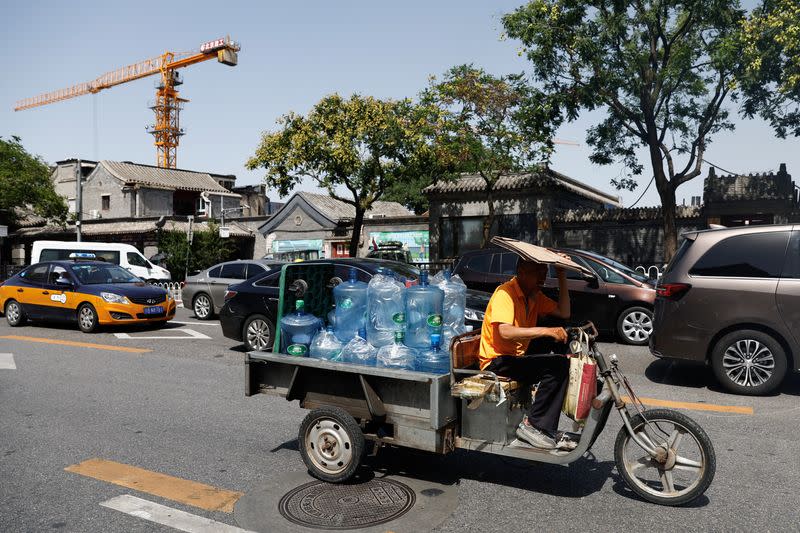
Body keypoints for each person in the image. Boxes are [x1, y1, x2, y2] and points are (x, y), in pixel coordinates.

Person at [478, 258, 574, 450]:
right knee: (556, 365)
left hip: (515, 357)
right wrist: (546, 330)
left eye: (545, 275)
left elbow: (564, 312)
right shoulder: (505, 293)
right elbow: (505, 331)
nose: (542, 279)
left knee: (562, 354)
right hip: (496, 361)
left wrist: (562, 275)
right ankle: (534, 425)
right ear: (521, 272)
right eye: (537, 274)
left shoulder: (534, 296)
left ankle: (544, 423)